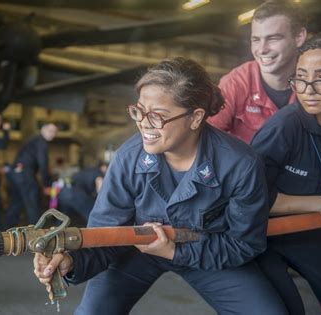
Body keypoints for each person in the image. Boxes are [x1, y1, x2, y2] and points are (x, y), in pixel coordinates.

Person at [34, 58, 287, 314]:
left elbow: (244, 243)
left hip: (204, 251)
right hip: (136, 251)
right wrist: (69, 261)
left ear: (196, 117)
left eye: (157, 116)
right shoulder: (128, 158)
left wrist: (176, 252)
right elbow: (104, 233)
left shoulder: (240, 164)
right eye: (139, 111)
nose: (143, 123)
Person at [250, 31, 321, 315]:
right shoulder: (283, 127)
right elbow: (250, 196)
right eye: (301, 77)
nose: (308, 88)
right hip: (259, 236)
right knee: (282, 310)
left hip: (307, 230)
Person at [207, 0, 307, 143]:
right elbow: (207, 141)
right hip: (248, 165)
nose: (262, 49)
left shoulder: (316, 84)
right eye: (256, 39)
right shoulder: (235, 83)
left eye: (273, 38)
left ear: (299, 37)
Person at [5, 123, 57, 227]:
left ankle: (7, 233)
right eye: (50, 131)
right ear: (42, 129)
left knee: (15, 204)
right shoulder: (41, 143)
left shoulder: (33, 140)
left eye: (55, 132)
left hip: (15, 173)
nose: (53, 134)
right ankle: (36, 234)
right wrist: (47, 182)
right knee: (33, 205)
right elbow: (43, 163)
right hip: (25, 175)